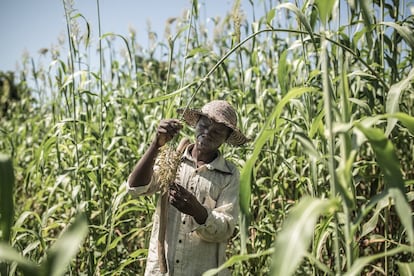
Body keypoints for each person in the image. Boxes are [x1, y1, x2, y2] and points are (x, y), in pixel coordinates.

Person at [126, 100, 249, 275]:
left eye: (217, 131)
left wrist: (198, 211)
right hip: (162, 270)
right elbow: (135, 188)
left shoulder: (229, 175)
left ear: (226, 138)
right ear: (196, 124)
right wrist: (156, 144)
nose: (207, 133)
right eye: (204, 125)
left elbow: (225, 229)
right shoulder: (172, 160)